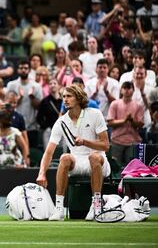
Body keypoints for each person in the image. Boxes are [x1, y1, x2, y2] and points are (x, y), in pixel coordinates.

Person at [36, 85, 111, 221]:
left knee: (94, 156)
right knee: (64, 157)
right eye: (63, 96)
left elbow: (105, 146)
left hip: (99, 160)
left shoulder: (95, 114)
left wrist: (85, 142)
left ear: (78, 98)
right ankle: (59, 209)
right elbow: (49, 152)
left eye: (69, 96)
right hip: (78, 162)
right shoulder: (61, 122)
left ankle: (96, 206)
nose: (65, 99)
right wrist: (42, 173)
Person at [107, 82, 144, 166]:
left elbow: (141, 124)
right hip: (117, 140)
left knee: (132, 168)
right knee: (115, 168)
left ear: (133, 90)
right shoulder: (114, 104)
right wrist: (124, 120)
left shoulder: (138, 105)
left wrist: (131, 120)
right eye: (125, 88)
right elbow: (110, 122)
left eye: (129, 88)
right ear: (121, 90)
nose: (127, 90)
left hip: (133, 141)